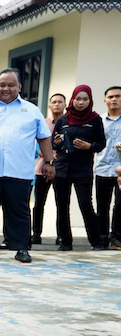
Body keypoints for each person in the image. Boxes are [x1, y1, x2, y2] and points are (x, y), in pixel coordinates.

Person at [0, 68, 54, 263]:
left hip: (19, 171)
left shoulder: (31, 110)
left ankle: (22, 248)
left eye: (11, 85)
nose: (6, 88)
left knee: (20, 212)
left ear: (19, 87)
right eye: (2, 85)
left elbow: (44, 138)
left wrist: (48, 162)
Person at [52, 84, 106, 251]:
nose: (81, 102)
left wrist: (89, 146)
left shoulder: (95, 119)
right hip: (61, 168)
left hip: (83, 169)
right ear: (73, 99)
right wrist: (57, 142)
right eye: (78, 99)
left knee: (85, 204)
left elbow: (101, 143)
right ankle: (65, 242)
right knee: (62, 206)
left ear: (90, 101)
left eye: (85, 99)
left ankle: (96, 242)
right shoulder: (63, 119)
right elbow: (54, 142)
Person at [31, 93, 65, 244]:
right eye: (54, 102)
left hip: (61, 168)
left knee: (61, 204)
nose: (57, 104)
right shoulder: (42, 123)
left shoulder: (68, 123)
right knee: (38, 203)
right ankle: (36, 234)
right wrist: (46, 153)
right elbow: (34, 143)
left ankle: (61, 235)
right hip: (41, 168)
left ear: (65, 105)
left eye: (60, 102)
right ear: (50, 105)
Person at [94, 86, 121, 250]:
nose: (114, 99)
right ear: (105, 100)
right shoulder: (99, 121)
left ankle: (116, 237)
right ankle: (102, 238)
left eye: (118, 96)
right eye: (110, 96)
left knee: (120, 205)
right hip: (102, 168)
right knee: (102, 206)